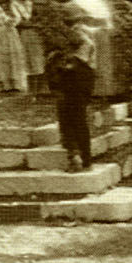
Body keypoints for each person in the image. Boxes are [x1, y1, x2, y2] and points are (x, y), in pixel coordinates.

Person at [46, 22, 95, 171]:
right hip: (72, 86)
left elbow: (74, 65)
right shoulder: (70, 49)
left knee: (74, 121)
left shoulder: (84, 43)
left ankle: (80, 157)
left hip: (76, 84)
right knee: (72, 121)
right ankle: (78, 157)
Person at [15, 0, 45, 97]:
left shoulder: (30, 3)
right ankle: (30, 92)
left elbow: (38, 18)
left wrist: (35, 22)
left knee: (38, 61)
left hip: (35, 33)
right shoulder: (14, 3)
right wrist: (31, 23)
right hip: (23, 34)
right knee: (26, 62)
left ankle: (39, 91)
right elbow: (19, 21)